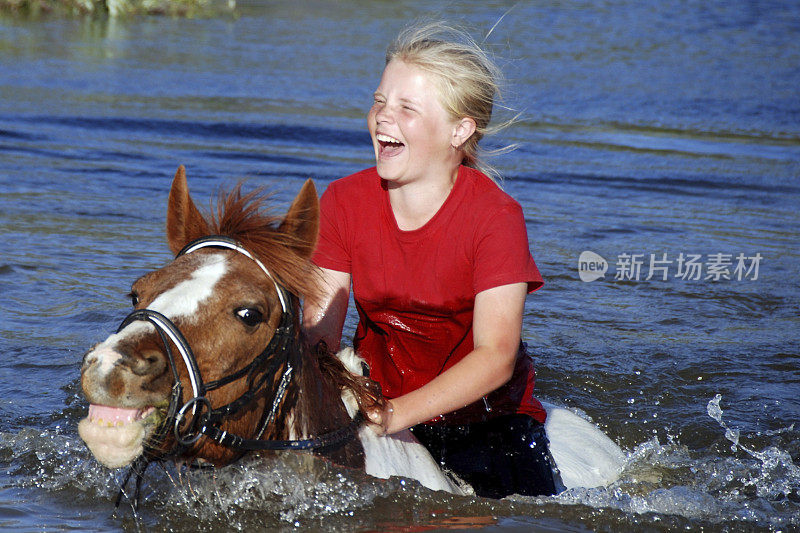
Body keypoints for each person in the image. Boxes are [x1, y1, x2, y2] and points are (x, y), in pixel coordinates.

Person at [303, 21, 557, 498]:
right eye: (379, 100)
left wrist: (397, 414)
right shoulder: (341, 201)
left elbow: (496, 357)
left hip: (487, 424)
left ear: (459, 130)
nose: (382, 117)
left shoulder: (497, 217)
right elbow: (318, 336)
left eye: (405, 108)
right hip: (374, 404)